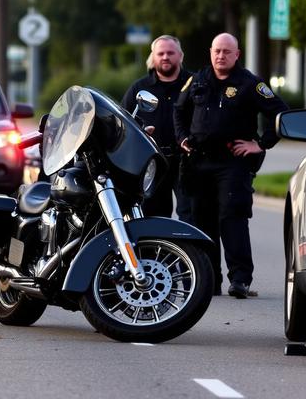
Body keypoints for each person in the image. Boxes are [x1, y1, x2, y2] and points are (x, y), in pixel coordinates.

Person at [174, 33, 289, 299]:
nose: (221, 56)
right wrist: (181, 139)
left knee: (232, 217)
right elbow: (179, 111)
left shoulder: (250, 84)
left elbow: (281, 114)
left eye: (227, 51)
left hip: (232, 162)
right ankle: (209, 279)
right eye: (217, 51)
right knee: (202, 221)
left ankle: (240, 279)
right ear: (210, 52)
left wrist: (261, 144)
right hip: (199, 160)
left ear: (237, 54)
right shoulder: (197, 79)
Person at [121, 35, 192, 221]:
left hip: (188, 162)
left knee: (191, 214)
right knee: (153, 217)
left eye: (170, 53)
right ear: (153, 57)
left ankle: (190, 251)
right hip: (153, 161)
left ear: (180, 56)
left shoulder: (195, 84)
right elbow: (123, 121)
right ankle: (159, 250)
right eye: (160, 53)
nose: (165, 57)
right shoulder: (139, 87)